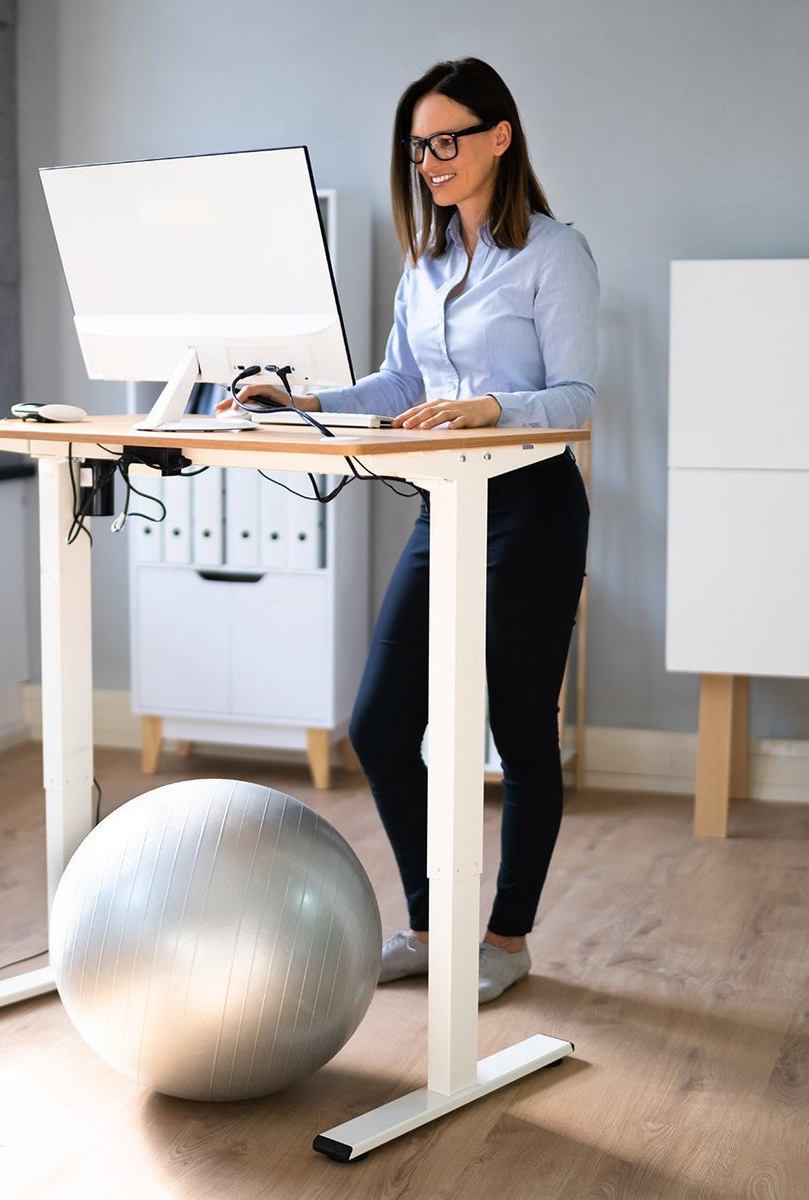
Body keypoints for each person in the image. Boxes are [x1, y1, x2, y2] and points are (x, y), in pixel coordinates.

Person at [220, 57, 598, 1003]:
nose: (429, 160)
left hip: (531, 510)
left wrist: (492, 409)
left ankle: (505, 941)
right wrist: (295, 398)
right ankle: (431, 927)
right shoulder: (424, 266)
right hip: (446, 505)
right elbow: (397, 387)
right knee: (382, 725)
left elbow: (579, 399)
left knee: (519, 735)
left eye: (446, 141)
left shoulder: (555, 253)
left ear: (498, 137)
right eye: (418, 145)